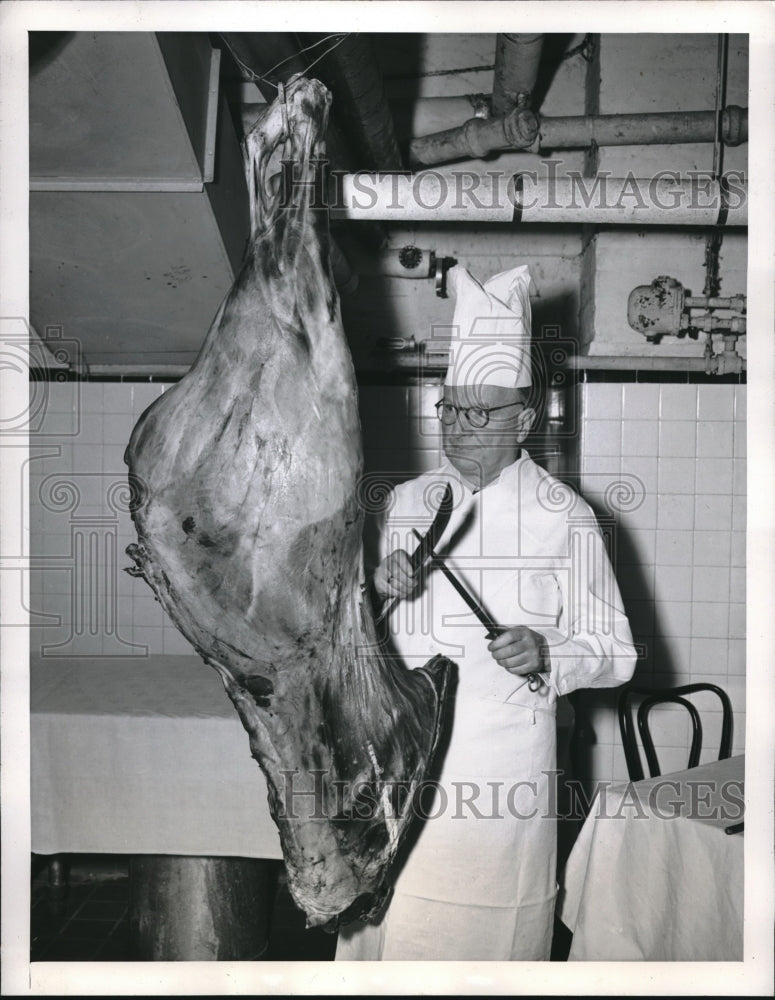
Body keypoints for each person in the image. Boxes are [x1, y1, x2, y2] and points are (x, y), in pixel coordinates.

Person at [336, 263, 637, 961]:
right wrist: (377, 589)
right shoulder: (405, 501)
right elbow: (352, 634)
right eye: (447, 408)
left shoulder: (564, 516)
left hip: (496, 777)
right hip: (399, 763)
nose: (457, 428)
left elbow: (614, 651)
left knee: (481, 943)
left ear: (523, 419)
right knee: (390, 932)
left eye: (479, 413)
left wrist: (547, 652)